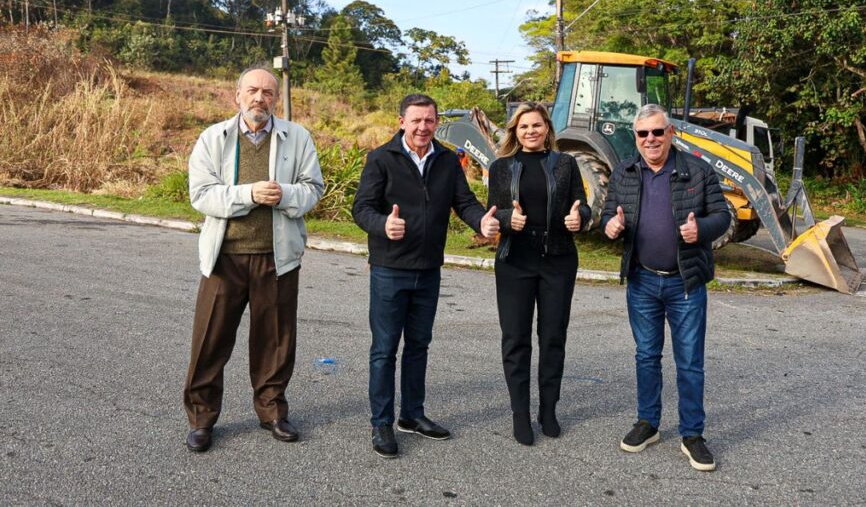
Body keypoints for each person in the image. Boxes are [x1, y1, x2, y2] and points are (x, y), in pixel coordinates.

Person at [183, 65, 324, 453]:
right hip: (225, 258)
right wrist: (248, 195)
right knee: (209, 341)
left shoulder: (297, 138)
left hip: (277, 258)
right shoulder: (213, 138)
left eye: (267, 92)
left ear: (276, 99)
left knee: (275, 342)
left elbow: (314, 189)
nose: (259, 98)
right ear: (237, 95)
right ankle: (201, 419)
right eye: (252, 90)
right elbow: (201, 195)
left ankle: (272, 411)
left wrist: (287, 195)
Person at [353, 93, 501, 459]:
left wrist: (481, 220)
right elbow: (362, 208)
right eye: (416, 120)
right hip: (389, 269)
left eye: (429, 121)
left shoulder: (448, 159)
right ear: (402, 121)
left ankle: (412, 415)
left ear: (437, 123)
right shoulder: (381, 158)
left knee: (419, 346)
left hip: (428, 270)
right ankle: (382, 422)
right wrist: (382, 225)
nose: (423, 127)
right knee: (384, 350)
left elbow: (463, 201)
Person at [601, 104, 730, 472]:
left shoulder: (697, 170)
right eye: (643, 134)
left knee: (689, 363)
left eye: (657, 132)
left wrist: (700, 231)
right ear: (636, 137)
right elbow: (610, 213)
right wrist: (610, 226)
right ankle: (648, 423)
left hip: (684, 282)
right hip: (642, 280)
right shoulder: (624, 172)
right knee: (646, 356)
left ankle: (693, 434)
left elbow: (722, 215)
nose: (651, 140)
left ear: (670, 132)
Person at [486, 102, 590, 446]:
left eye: (536, 125)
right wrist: (506, 219)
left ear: (547, 128)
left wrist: (581, 219)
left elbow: (582, 204)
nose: (530, 131)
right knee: (515, 339)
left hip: (558, 259)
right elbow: (494, 210)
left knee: (553, 337)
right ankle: (520, 414)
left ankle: (548, 410)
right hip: (515, 260)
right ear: (515, 132)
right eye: (523, 126)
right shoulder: (501, 167)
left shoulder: (566, 164)